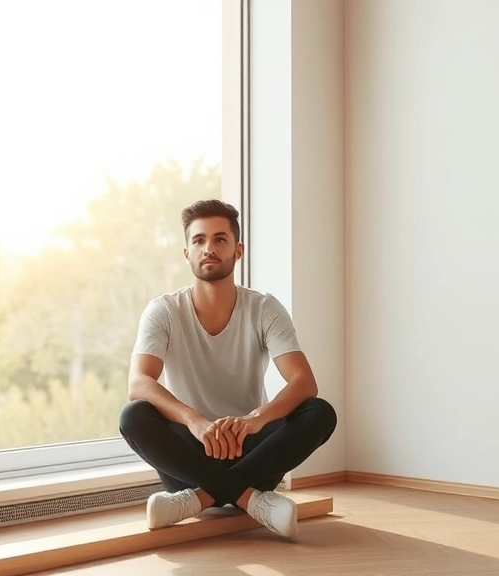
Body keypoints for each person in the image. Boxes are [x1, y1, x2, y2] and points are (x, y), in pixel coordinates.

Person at [118, 199, 338, 538]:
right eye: (199, 240)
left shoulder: (264, 308)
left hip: (254, 450)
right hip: (191, 457)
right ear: (186, 253)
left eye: (220, 239)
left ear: (238, 250)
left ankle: (197, 500)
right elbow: (139, 382)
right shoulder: (163, 311)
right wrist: (196, 421)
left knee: (320, 412)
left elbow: (304, 381)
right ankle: (251, 499)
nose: (209, 248)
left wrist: (256, 419)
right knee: (133, 416)